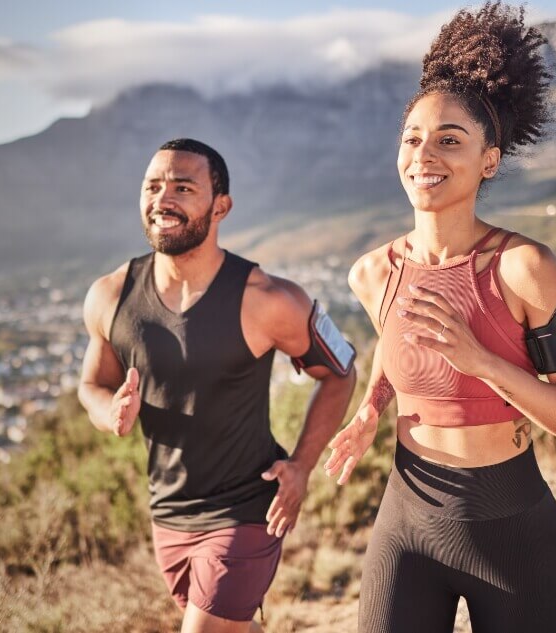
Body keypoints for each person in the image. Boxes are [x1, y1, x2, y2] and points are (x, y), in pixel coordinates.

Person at [324, 3, 556, 632]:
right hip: (406, 522)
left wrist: (480, 363)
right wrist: (371, 408)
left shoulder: (526, 268)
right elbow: (395, 341)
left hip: (510, 536)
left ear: (489, 159)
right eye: (413, 138)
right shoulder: (375, 273)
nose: (424, 154)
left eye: (449, 139)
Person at [78, 138, 357, 632]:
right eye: (153, 186)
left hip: (248, 508)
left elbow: (339, 373)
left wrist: (301, 466)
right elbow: (92, 384)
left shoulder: (269, 299)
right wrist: (110, 414)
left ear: (220, 206)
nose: (163, 199)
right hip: (168, 513)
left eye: (183, 187)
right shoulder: (110, 295)